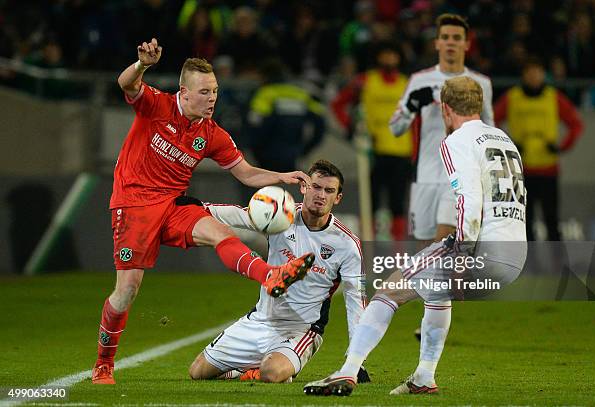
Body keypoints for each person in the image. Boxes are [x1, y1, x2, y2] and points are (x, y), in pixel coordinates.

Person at [92, 38, 316, 385]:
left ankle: (270, 275)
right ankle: (104, 364)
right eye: (204, 92)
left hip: (173, 206)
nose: (211, 98)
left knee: (219, 232)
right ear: (183, 92)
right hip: (134, 204)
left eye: (214, 91)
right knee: (128, 290)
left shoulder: (212, 134)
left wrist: (281, 175)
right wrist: (142, 65)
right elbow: (125, 84)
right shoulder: (156, 106)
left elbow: (245, 173)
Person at [304, 76, 527, 396]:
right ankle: (424, 376)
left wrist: (462, 254)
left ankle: (348, 370)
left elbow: (469, 201)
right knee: (437, 294)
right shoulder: (504, 139)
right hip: (516, 254)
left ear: (445, 110)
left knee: (388, 292)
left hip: (482, 249)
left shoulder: (457, 141)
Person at [188, 160, 369, 384]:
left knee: (271, 373)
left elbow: (355, 302)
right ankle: (247, 371)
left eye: (329, 190)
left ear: (337, 198)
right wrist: (200, 208)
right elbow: (241, 216)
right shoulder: (282, 216)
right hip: (259, 319)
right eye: (316, 187)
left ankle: (274, 366)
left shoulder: (347, 244)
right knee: (197, 372)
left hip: (300, 329)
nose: (321, 195)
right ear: (304, 187)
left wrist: (356, 361)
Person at [389, 13, 494, 247]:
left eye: (457, 38)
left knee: (446, 245)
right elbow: (396, 128)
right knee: (423, 250)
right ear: (437, 43)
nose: (450, 42)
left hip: (458, 176)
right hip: (425, 176)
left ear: (466, 44)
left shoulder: (481, 83)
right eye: (445, 37)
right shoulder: (419, 80)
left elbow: (490, 131)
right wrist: (410, 106)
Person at [494, 57, 583, 241]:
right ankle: (529, 266)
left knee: (552, 220)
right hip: (520, 170)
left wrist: (561, 147)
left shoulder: (554, 97)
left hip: (548, 168)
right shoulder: (512, 97)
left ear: (543, 74)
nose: (534, 76)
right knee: (523, 221)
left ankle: (555, 265)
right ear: (524, 75)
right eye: (530, 72)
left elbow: (576, 124)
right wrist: (507, 145)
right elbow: (491, 121)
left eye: (537, 72)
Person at [331, 42, 413, 241]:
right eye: (385, 55)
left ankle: (397, 252)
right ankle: (370, 245)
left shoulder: (408, 84)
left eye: (392, 55)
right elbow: (338, 104)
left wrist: (417, 148)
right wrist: (350, 128)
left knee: (397, 202)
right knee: (371, 201)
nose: (388, 59)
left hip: (402, 150)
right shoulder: (365, 81)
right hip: (372, 150)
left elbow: (417, 118)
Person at [247, 58, 325, 173]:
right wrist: (305, 149)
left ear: (265, 76)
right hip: (293, 155)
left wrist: (255, 150)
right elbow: (320, 124)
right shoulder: (300, 93)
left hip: (267, 155)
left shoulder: (264, 94)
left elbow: (254, 124)